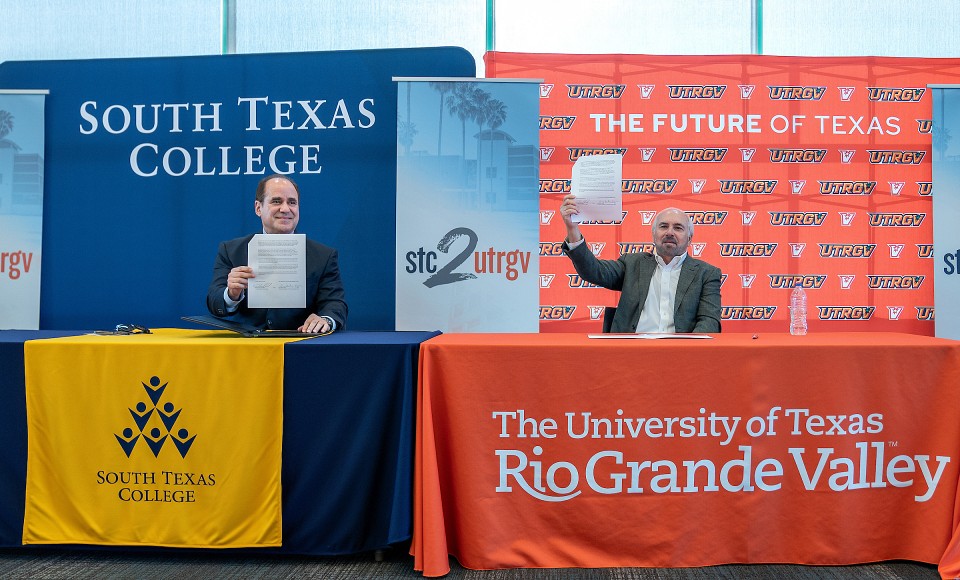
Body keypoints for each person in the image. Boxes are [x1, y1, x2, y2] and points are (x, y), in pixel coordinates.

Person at [559, 194, 721, 333]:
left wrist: (687, 352)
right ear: (654, 234)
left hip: (680, 356)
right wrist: (572, 228)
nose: (670, 232)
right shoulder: (631, 263)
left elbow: (709, 321)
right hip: (631, 352)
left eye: (678, 228)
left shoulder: (706, 274)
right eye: (663, 226)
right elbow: (593, 271)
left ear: (690, 239)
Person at [206, 174, 347, 333]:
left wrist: (325, 319)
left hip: (301, 345)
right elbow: (214, 301)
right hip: (248, 347)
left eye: (292, 202)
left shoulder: (324, 256)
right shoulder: (231, 250)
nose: (285, 209)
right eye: (276, 201)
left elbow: (335, 304)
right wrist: (231, 294)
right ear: (258, 208)